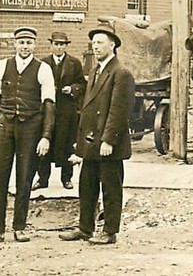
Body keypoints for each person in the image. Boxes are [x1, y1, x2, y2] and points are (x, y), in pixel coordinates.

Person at [0, 27, 56, 244]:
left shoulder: (44, 69)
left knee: (25, 176)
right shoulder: (3, 65)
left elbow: (49, 104)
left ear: (35, 45)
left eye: (29, 42)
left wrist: (46, 136)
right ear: (14, 44)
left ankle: (19, 227)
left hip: (31, 127)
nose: (25, 46)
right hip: (4, 126)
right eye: (21, 42)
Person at [59, 25, 135, 245]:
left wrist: (109, 140)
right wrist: (81, 141)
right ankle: (85, 228)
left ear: (112, 45)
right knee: (87, 185)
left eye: (100, 42)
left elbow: (119, 111)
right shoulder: (95, 71)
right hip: (91, 142)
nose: (96, 46)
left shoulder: (121, 73)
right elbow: (88, 108)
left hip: (108, 143)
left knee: (110, 188)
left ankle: (110, 231)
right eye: (94, 43)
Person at [32, 31, 86, 191]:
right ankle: (42, 179)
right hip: (47, 110)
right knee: (44, 143)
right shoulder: (43, 63)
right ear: (51, 45)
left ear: (66, 46)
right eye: (56, 44)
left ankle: (66, 178)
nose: (59, 47)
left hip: (67, 111)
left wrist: (72, 89)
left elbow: (82, 84)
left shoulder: (74, 63)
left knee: (68, 144)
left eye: (62, 44)